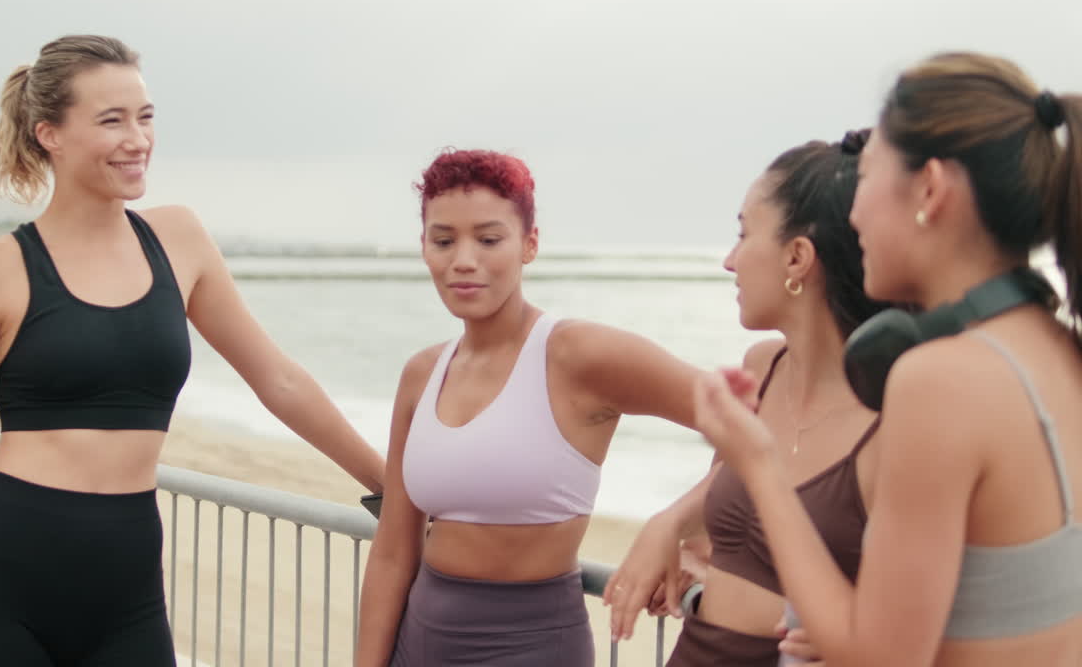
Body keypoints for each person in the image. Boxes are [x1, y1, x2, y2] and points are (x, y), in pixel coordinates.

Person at [0, 34, 385, 667]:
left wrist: (389, 484)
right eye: (112, 120)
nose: (138, 139)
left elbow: (276, 378)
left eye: (145, 117)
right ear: (50, 134)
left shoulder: (179, 240)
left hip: (128, 595)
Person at [696, 52, 1082, 666]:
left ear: (930, 189)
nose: (853, 214)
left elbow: (879, 657)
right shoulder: (1059, 348)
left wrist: (758, 464)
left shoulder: (940, 380)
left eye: (868, 178)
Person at [354, 149, 702, 666]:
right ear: (424, 246)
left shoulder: (577, 355)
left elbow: (758, 423)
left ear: (529, 244)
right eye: (443, 240)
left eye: (489, 239)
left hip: (532, 649)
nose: (463, 260)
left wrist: (683, 529)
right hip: (417, 643)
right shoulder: (421, 374)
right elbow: (393, 551)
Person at [605, 131, 888, 666]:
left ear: (797, 257)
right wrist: (670, 524)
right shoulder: (762, 368)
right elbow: (721, 530)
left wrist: (860, 639)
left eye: (743, 234)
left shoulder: (899, 410)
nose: (729, 261)